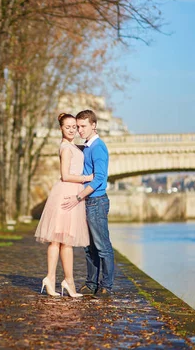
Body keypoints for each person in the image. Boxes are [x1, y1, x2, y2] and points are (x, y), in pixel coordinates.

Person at [34, 113, 93, 298]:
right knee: (58, 240)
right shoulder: (66, 148)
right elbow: (65, 175)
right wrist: (87, 178)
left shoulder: (72, 146)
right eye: (67, 126)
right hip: (67, 193)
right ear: (61, 128)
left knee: (63, 241)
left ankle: (64, 281)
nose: (71, 130)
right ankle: (55, 279)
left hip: (71, 193)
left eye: (74, 126)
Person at [61, 109, 114, 298]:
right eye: (78, 126)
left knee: (102, 246)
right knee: (89, 246)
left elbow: (99, 178)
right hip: (88, 201)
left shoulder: (98, 147)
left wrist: (78, 197)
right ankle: (91, 283)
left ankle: (106, 285)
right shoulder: (87, 146)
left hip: (96, 201)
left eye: (83, 126)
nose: (80, 130)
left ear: (94, 125)